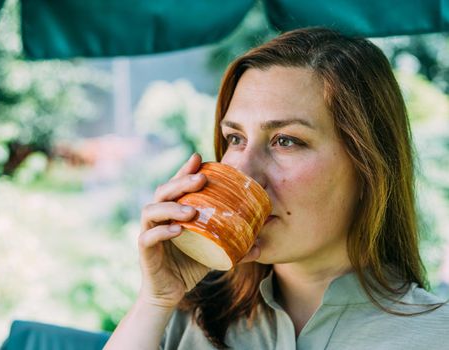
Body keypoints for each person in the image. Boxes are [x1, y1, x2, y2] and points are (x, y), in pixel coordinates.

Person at [104, 27, 449, 350]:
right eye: (235, 139)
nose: (242, 172)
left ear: (368, 166)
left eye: (286, 141)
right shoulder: (184, 315)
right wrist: (155, 300)